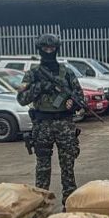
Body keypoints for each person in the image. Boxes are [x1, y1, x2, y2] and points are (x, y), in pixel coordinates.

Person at [16, 34, 86, 203]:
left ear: (57, 49)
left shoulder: (67, 73)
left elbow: (80, 97)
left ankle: (69, 203)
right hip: (42, 124)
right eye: (45, 48)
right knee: (43, 167)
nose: (49, 51)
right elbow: (22, 99)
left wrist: (73, 103)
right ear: (39, 50)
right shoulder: (33, 74)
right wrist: (40, 87)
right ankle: (40, 203)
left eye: (52, 48)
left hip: (64, 123)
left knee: (68, 166)